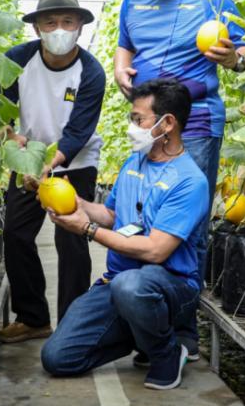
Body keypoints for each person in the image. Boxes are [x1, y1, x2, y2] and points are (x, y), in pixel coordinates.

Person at [112, 0, 245, 358]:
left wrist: (231, 59)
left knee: (189, 228)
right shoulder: (133, 1)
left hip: (197, 124)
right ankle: (150, 323)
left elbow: (244, 55)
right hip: (147, 123)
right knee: (145, 217)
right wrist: (120, 69)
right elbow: (124, 47)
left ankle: (185, 331)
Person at [41, 79, 208, 390]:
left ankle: (166, 352)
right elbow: (112, 216)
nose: (132, 127)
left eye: (138, 119)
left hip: (169, 286)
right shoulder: (134, 162)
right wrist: (78, 205)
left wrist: (86, 229)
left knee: (131, 286)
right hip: (118, 284)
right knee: (57, 358)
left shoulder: (189, 181)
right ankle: (142, 334)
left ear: (167, 123)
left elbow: (156, 250)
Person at [0, 0, 106, 344]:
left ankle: (72, 326)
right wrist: (13, 139)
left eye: (68, 21)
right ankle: (33, 318)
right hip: (28, 158)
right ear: (37, 28)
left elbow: (78, 131)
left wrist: (48, 165)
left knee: (72, 238)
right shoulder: (16, 60)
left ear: (79, 27)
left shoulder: (91, 72)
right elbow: (0, 111)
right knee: (15, 233)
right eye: (50, 22)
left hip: (76, 163)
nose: (59, 29)